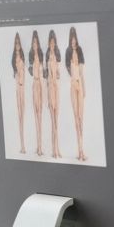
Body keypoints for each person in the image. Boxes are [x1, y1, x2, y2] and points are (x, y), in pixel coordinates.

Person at [66, 26, 86, 162]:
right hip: (72, 87)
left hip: (80, 85)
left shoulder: (80, 51)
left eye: (75, 41)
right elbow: (70, 73)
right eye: (71, 41)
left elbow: (82, 74)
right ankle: (80, 151)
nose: (73, 43)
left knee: (81, 118)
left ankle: (82, 150)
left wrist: (84, 88)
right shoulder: (68, 53)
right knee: (76, 119)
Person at [45, 29, 62, 160]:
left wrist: (56, 73)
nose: (52, 45)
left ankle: (57, 149)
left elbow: (58, 74)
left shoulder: (56, 56)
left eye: (53, 43)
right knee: (52, 122)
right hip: (50, 88)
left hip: (56, 88)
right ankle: (54, 150)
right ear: (49, 43)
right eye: (50, 43)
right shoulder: (47, 57)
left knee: (56, 121)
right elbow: (47, 79)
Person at [27, 29, 45, 156]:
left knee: (41, 115)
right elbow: (30, 72)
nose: (35, 44)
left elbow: (44, 72)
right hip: (34, 84)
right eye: (33, 43)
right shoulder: (30, 56)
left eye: (36, 42)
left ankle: (40, 146)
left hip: (41, 85)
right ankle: (38, 146)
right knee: (36, 114)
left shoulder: (41, 55)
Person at [10, 32, 26, 154]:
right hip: (17, 88)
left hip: (22, 88)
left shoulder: (22, 58)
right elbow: (16, 75)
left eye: (18, 43)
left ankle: (23, 145)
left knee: (23, 116)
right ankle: (22, 145)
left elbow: (23, 74)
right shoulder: (14, 59)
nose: (17, 45)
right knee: (19, 115)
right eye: (16, 43)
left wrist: (21, 81)